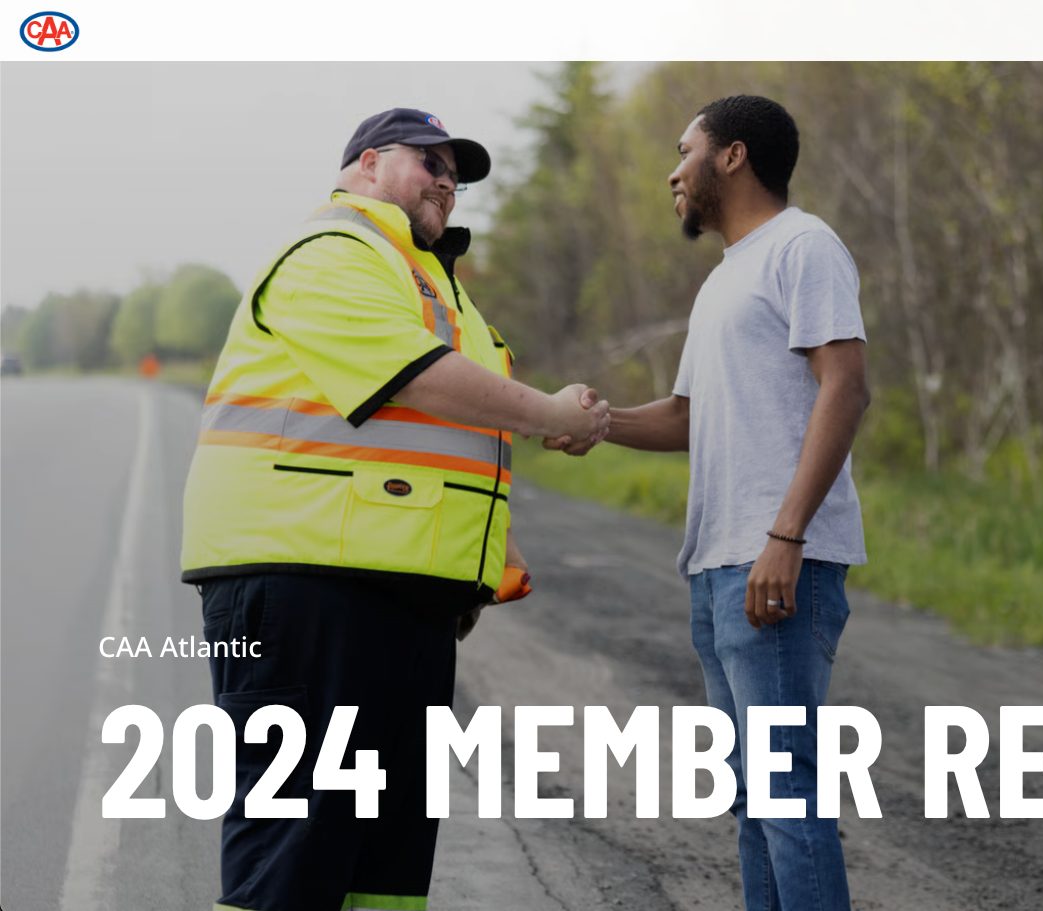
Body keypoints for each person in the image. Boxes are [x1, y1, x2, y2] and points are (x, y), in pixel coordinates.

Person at [179, 107, 609, 911]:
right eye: (431, 161)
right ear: (369, 164)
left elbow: (441, 441)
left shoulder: (428, 279)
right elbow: (418, 377)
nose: (448, 180)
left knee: (386, 871)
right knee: (293, 856)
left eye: (458, 172)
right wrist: (551, 414)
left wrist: (470, 570)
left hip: (399, 599)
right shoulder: (333, 251)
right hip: (306, 591)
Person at [558, 94, 870, 911]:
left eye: (684, 150)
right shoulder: (728, 278)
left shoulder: (804, 247)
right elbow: (690, 417)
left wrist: (786, 535)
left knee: (783, 791)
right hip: (718, 563)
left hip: (772, 559)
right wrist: (597, 422)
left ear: (732, 156)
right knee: (752, 794)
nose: (673, 170)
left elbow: (845, 385)